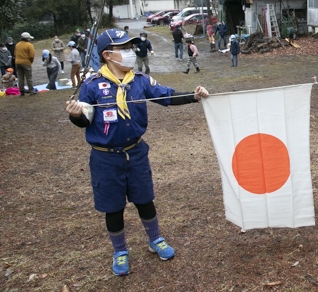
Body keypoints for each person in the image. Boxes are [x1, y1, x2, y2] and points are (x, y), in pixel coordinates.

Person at [65, 28, 209, 276]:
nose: (130, 52)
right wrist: (76, 116)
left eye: (130, 47)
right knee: (113, 207)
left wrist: (193, 96)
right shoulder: (92, 86)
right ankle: (120, 251)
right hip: (105, 157)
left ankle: (155, 239)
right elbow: (85, 120)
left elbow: (167, 96)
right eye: (124, 49)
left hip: (136, 152)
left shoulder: (139, 81)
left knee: (145, 199)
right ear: (108, 55)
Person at [14, 32, 36, 96]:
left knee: (20, 77)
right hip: (26, 62)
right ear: (27, 38)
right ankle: (31, 91)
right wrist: (30, 62)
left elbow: (15, 54)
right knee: (28, 77)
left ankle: (21, 91)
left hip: (17, 62)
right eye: (29, 38)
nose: (30, 39)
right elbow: (31, 56)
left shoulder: (17, 44)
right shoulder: (29, 45)